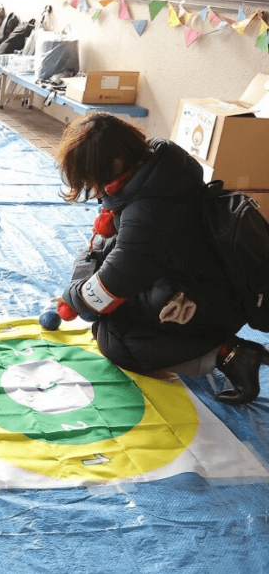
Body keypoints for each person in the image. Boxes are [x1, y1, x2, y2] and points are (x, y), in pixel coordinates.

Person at [56, 111, 265, 405]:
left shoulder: (149, 211)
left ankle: (230, 354)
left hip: (204, 300)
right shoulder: (155, 168)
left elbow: (111, 287)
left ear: (108, 168)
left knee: (118, 340)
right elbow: (120, 252)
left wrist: (73, 297)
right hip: (204, 281)